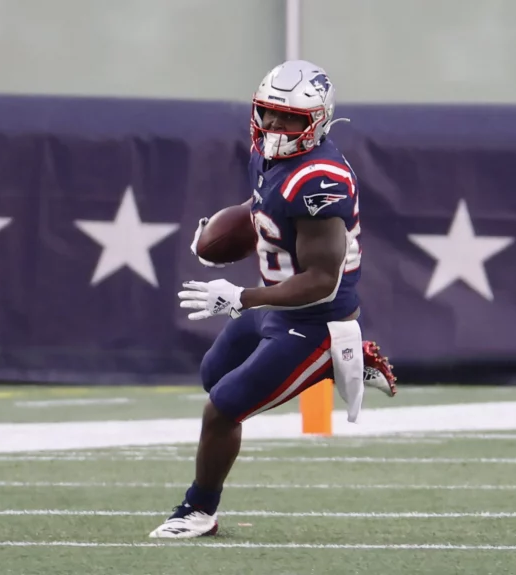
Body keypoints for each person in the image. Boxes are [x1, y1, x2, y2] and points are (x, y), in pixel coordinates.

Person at [148, 60, 396, 539]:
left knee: (222, 409)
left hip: (317, 320)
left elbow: (321, 280)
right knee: (213, 376)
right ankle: (341, 361)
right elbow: (262, 205)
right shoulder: (267, 155)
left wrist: (241, 297)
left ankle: (198, 510)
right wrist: (219, 235)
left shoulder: (319, 179)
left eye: (291, 118)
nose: (276, 126)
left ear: (318, 121)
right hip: (278, 308)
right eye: (270, 113)